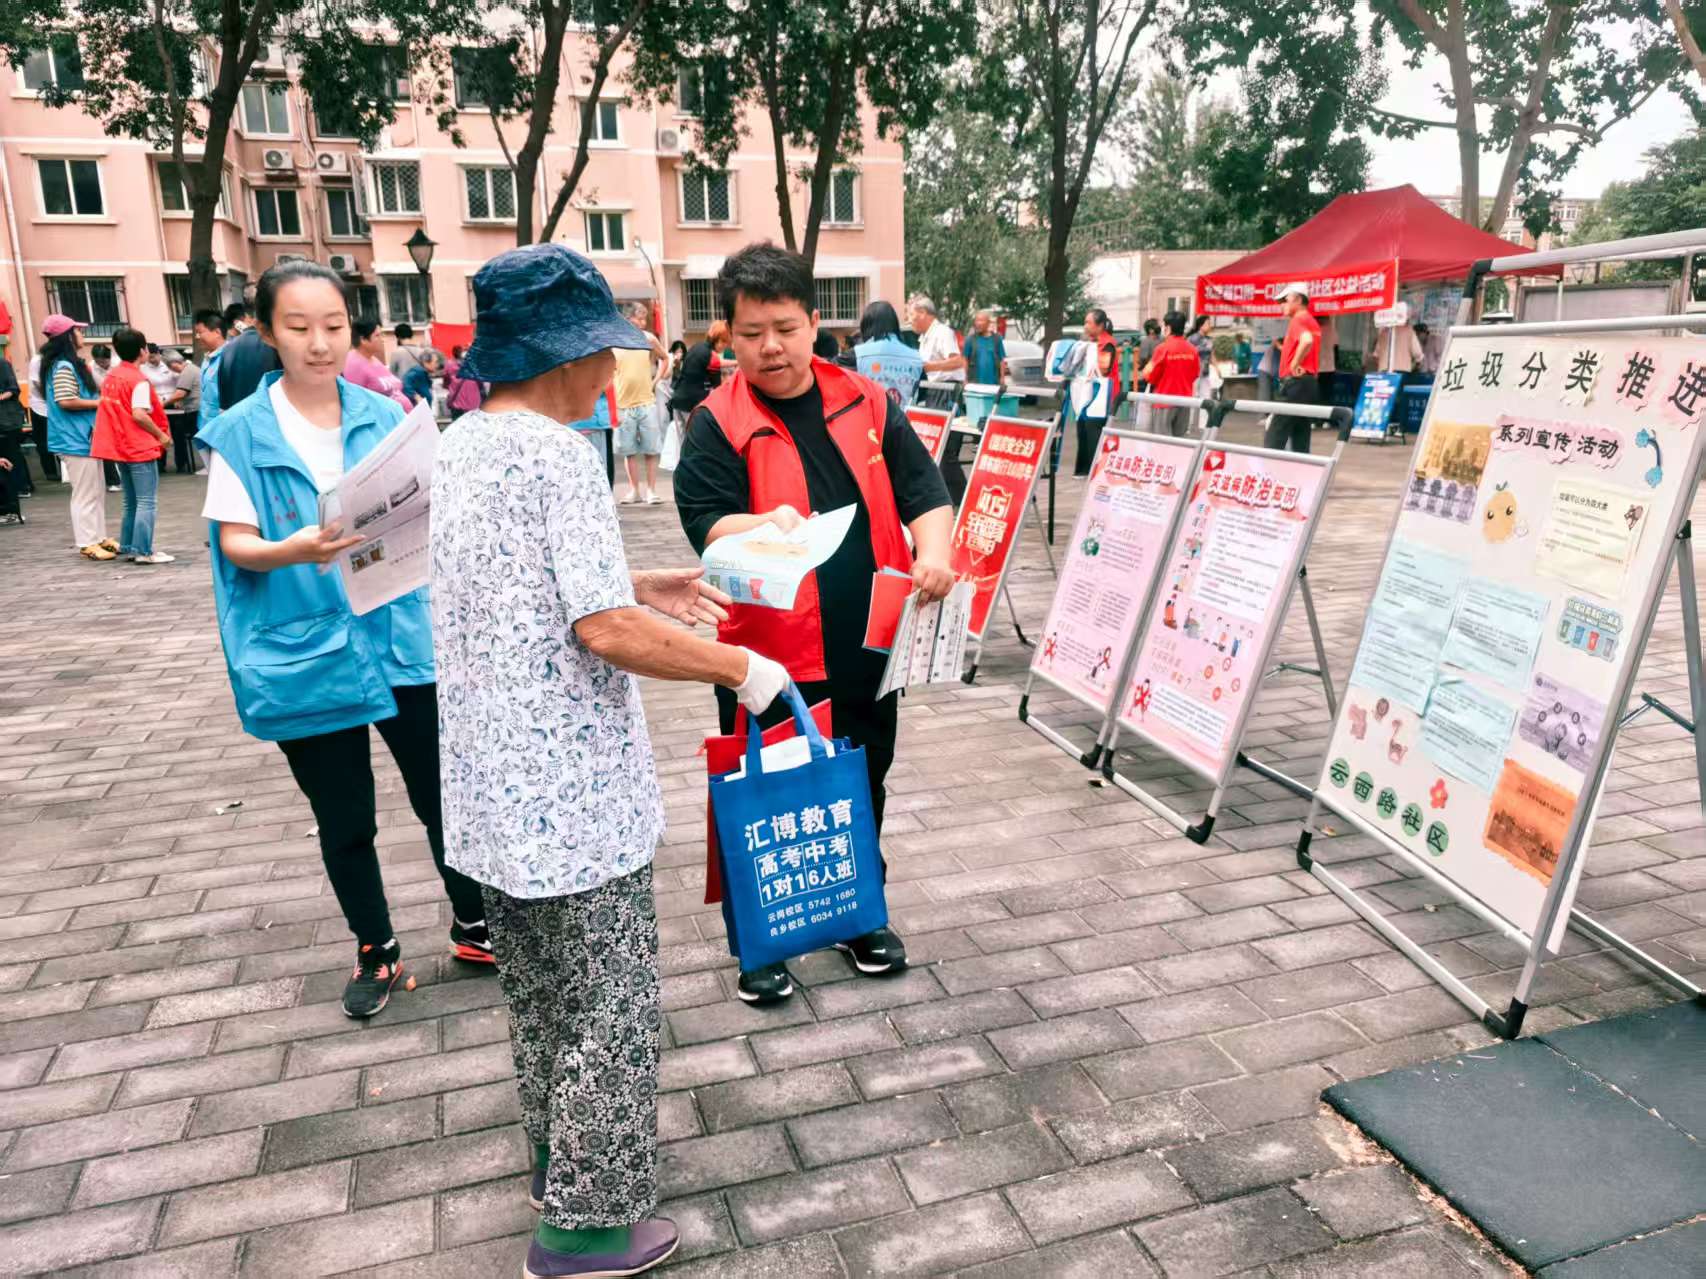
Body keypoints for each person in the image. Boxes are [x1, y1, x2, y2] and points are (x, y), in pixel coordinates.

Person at [431, 243, 786, 1279]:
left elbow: (531, 584)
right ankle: (584, 1231)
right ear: (569, 355)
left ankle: (557, 1167)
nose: (610, 374)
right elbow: (602, 630)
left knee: (543, 999)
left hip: (492, 791)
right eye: (603, 353)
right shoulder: (558, 454)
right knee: (610, 1007)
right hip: (573, 798)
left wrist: (644, 580)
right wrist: (739, 665)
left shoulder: (459, 443)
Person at [196, 260, 495, 1018]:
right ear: (268, 333)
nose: (319, 343)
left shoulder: (385, 416)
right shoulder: (239, 434)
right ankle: (377, 947)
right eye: (298, 327)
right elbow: (236, 543)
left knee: (443, 795)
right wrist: (291, 549)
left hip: (400, 636)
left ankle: (474, 923)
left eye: (332, 325)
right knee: (346, 817)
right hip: (305, 650)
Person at [675, 242, 955, 1005]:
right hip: (768, 653)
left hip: (868, 641)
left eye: (786, 328)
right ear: (728, 335)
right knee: (765, 793)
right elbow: (705, 522)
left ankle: (861, 915)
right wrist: (761, 523)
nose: (771, 346)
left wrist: (934, 553)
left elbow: (924, 490)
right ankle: (758, 941)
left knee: (862, 780)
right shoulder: (718, 421)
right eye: (752, 332)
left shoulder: (866, 400)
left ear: (813, 323)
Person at [91, 327, 174, 564]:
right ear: (142, 351)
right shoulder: (138, 380)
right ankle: (143, 551)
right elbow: (139, 414)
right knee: (146, 501)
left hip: (120, 446)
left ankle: (129, 546)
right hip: (138, 446)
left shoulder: (112, 377)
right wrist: (161, 436)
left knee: (131, 501)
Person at [41, 316, 118, 560]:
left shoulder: (66, 364)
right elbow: (66, 400)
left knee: (95, 491)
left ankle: (99, 537)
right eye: (78, 331)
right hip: (74, 438)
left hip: (83, 437)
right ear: (67, 336)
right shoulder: (64, 366)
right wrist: (100, 403)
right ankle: (87, 542)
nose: (82, 335)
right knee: (85, 493)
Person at [613, 302, 666, 503]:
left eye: (645, 319)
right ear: (627, 319)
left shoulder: (648, 339)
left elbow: (665, 358)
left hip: (646, 403)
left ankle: (651, 490)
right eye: (639, 318)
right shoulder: (615, 342)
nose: (643, 322)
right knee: (629, 451)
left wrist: (656, 380)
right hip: (623, 405)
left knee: (651, 450)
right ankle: (634, 490)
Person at [1265, 283, 1321, 454]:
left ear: (1297, 299)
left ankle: (1268, 468)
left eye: (1285, 300)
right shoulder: (1311, 321)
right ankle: (1300, 469)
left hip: (1295, 383)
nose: (1281, 304)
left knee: (1275, 436)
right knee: (1300, 436)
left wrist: (1294, 363)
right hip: (1308, 383)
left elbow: (1306, 340)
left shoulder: (1298, 320)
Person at [1140, 311, 1201, 437]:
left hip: (1163, 401)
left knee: (1162, 442)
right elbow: (1195, 374)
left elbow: (1149, 375)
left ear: (1168, 328)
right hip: (1185, 401)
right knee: (1179, 442)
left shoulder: (1162, 349)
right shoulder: (1192, 350)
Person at [1075, 307, 1121, 476]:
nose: (1085, 326)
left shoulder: (1107, 344)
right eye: (1085, 322)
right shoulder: (1091, 344)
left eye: (1088, 322)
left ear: (1100, 325)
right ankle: (1083, 471)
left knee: (1094, 433)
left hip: (1101, 396)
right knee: (1083, 431)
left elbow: (1104, 370)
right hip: (1088, 395)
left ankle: (1095, 472)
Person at [853, 300, 924, 405]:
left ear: (866, 326)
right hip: (904, 414)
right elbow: (921, 395)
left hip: (871, 414)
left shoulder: (857, 354)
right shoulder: (917, 357)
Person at [908, 295, 963, 409]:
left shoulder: (942, 332)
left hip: (947, 390)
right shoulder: (925, 337)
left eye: (911, 315)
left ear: (922, 313)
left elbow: (957, 361)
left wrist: (928, 366)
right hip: (934, 389)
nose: (909, 320)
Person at [668, 320, 728, 425]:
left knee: (683, 435)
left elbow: (714, 363)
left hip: (678, 400)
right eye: (725, 342)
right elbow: (718, 389)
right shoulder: (712, 356)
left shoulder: (697, 347)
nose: (726, 346)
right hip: (692, 405)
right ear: (719, 340)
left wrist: (737, 362)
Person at [343, 320, 412, 410]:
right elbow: (355, 403)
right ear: (363, 340)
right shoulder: (353, 364)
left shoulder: (373, 359)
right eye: (377, 335)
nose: (382, 339)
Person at [0, 349, 31, 509]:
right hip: (4, 419)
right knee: (7, 453)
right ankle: (15, 487)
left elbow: (13, 389)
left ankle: (22, 486)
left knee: (13, 453)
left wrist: (1, 396)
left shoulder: (3, 364)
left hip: (9, 417)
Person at [163, 350, 202, 474]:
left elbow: (180, 393)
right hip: (196, 409)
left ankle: (183, 463)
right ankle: (183, 463)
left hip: (193, 411)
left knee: (178, 434)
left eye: (169, 366)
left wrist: (162, 404)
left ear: (174, 363)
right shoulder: (193, 369)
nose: (170, 369)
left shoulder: (187, 372)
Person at [27, 349, 59, 483]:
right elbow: (37, 383)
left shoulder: (59, 359)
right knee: (43, 442)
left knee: (60, 439)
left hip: (56, 405)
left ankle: (64, 471)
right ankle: (50, 472)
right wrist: (50, 398)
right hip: (40, 406)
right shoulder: (37, 360)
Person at [194, 309, 229, 428]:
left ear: (217, 332)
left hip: (222, 428)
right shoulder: (207, 359)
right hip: (205, 426)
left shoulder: (231, 357)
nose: (197, 337)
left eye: (200, 332)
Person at [962, 310, 1007, 386]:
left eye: (981, 320)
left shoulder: (997, 339)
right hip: (975, 382)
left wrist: (1002, 378)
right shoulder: (970, 339)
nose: (978, 323)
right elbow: (965, 359)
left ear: (988, 323)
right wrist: (965, 378)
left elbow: (1001, 360)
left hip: (993, 383)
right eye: (977, 320)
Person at [444, 344, 484, 419]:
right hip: (473, 404)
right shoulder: (474, 365)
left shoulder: (449, 364)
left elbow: (446, 382)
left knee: (457, 424)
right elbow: (481, 383)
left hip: (456, 403)